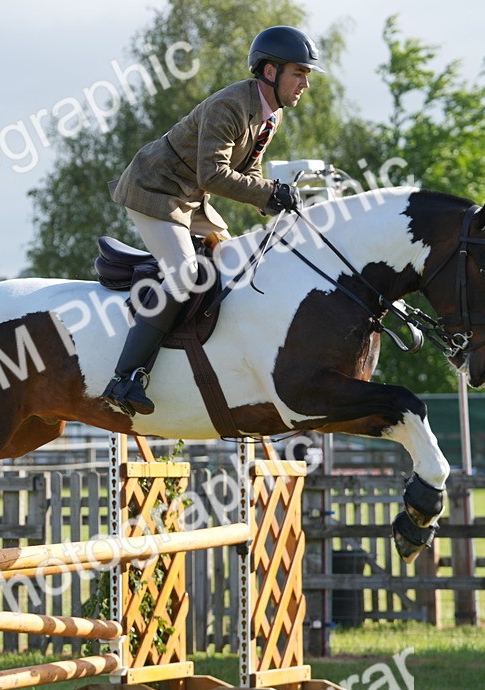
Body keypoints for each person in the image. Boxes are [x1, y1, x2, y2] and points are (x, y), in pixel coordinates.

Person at [101, 26, 324, 415]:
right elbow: (214, 174)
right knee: (185, 274)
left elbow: (248, 171)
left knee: (235, 262)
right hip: (156, 190)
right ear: (270, 72)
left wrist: (274, 203)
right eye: (299, 73)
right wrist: (270, 191)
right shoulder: (231, 105)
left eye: (306, 75)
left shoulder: (270, 116)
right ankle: (125, 377)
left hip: (190, 197)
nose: (305, 83)